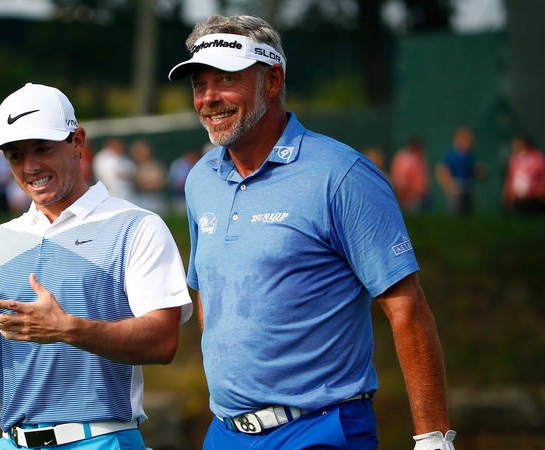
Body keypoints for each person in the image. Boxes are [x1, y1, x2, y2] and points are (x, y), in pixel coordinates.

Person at [168, 14, 455, 450]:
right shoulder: (200, 178)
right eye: (198, 84)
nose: (209, 98)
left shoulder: (341, 174)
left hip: (320, 429)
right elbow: (208, 292)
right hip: (225, 432)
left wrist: (433, 438)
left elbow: (407, 309)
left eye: (226, 79)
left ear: (273, 79)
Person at [0, 83, 193, 450]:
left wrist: (67, 329)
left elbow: (162, 341)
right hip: (11, 442)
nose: (30, 167)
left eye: (43, 148)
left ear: (78, 141)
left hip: (102, 439)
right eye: (15, 155)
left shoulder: (136, 226)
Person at [435, 127, 483, 215]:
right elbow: (441, 169)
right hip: (456, 187)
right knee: (456, 213)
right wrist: (448, 185)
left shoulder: (469, 156)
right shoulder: (452, 154)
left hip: (467, 187)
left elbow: (473, 170)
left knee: (467, 214)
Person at [502, 134, 545, 213]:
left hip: (533, 198)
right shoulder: (515, 159)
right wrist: (508, 192)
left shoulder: (537, 157)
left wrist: (542, 190)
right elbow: (510, 177)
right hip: (517, 198)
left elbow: (542, 175)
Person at [390, 136, 432, 212]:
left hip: (422, 197)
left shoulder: (419, 157)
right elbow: (401, 183)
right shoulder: (405, 159)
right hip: (410, 198)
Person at [92, 137, 137, 203]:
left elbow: (133, 172)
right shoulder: (103, 156)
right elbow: (114, 174)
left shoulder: (124, 157)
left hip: (127, 192)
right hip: (110, 191)